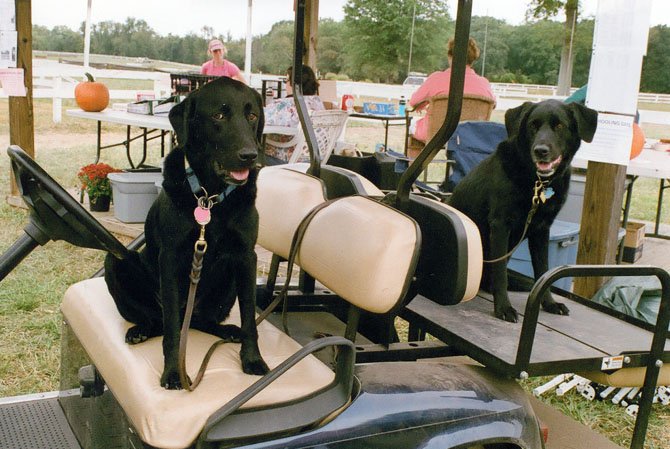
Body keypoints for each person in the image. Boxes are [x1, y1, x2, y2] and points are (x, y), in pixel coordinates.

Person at [408, 37, 495, 143]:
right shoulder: (484, 83)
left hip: (436, 135)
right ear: (472, 60)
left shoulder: (436, 78)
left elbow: (413, 102)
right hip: (470, 137)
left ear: (450, 56)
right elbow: (492, 105)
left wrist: (425, 102)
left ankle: (415, 160)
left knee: (412, 124)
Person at [263, 65, 325, 164]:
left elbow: (261, 118)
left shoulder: (287, 104)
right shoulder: (317, 102)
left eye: (286, 80)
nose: (285, 84)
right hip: (315, 159)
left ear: (294, 84)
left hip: (289, 160)